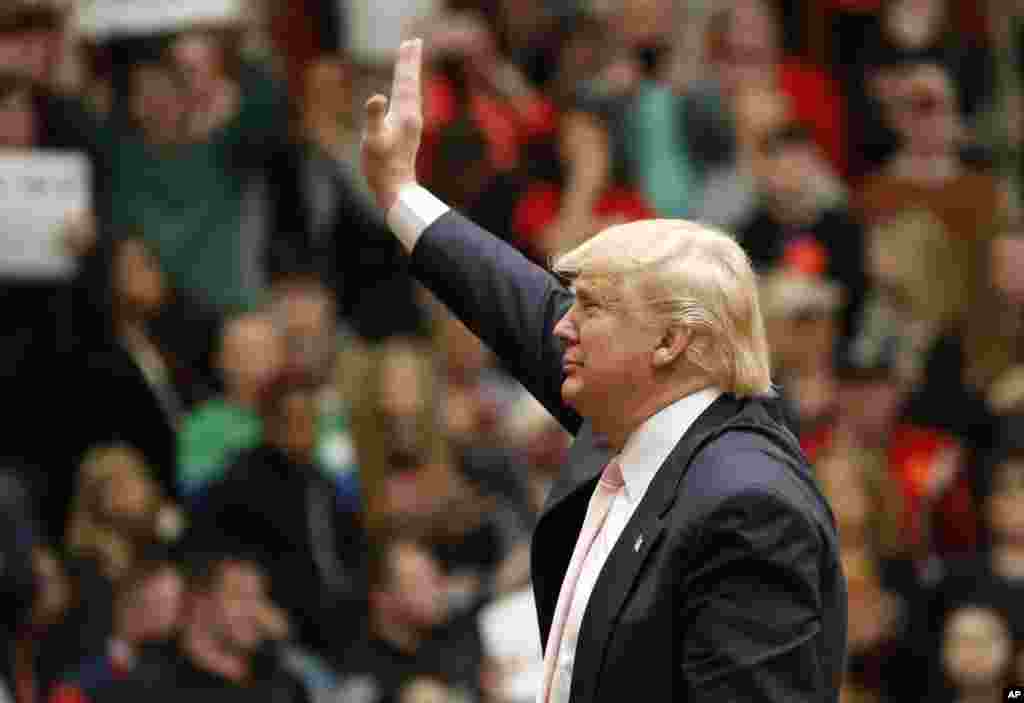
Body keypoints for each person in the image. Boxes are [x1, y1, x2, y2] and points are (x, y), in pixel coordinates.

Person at [360, 39, 846, 702]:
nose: (563, 324)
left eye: (590, 306)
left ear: (671, 340)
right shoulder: (637, 409)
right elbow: (518, 300)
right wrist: (400, 194)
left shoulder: (749, 505)